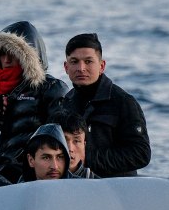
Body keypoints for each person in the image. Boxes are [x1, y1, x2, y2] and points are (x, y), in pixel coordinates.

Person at [0, 20, 68, 182]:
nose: (7, 59)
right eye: (3, 53)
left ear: (29, 56)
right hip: (5, 164)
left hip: (35, 167)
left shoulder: (51, 87)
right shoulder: (0, 91)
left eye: (13, 53)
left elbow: (61, 138)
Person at [62, 32, 150, 177]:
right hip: (76, 187)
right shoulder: (65, 102)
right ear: (66, 67)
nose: (81, 68)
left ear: (102, 66)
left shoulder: (124, 102)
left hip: (116, 190)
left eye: (88, 61)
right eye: (74, 61)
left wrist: (87, 158)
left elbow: (141, 154)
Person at [56, 111, 99, 179]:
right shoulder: (34, 183)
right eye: (63, 140)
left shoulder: (98, 185)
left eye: (76, 141)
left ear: (84, 145)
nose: (70, 148)